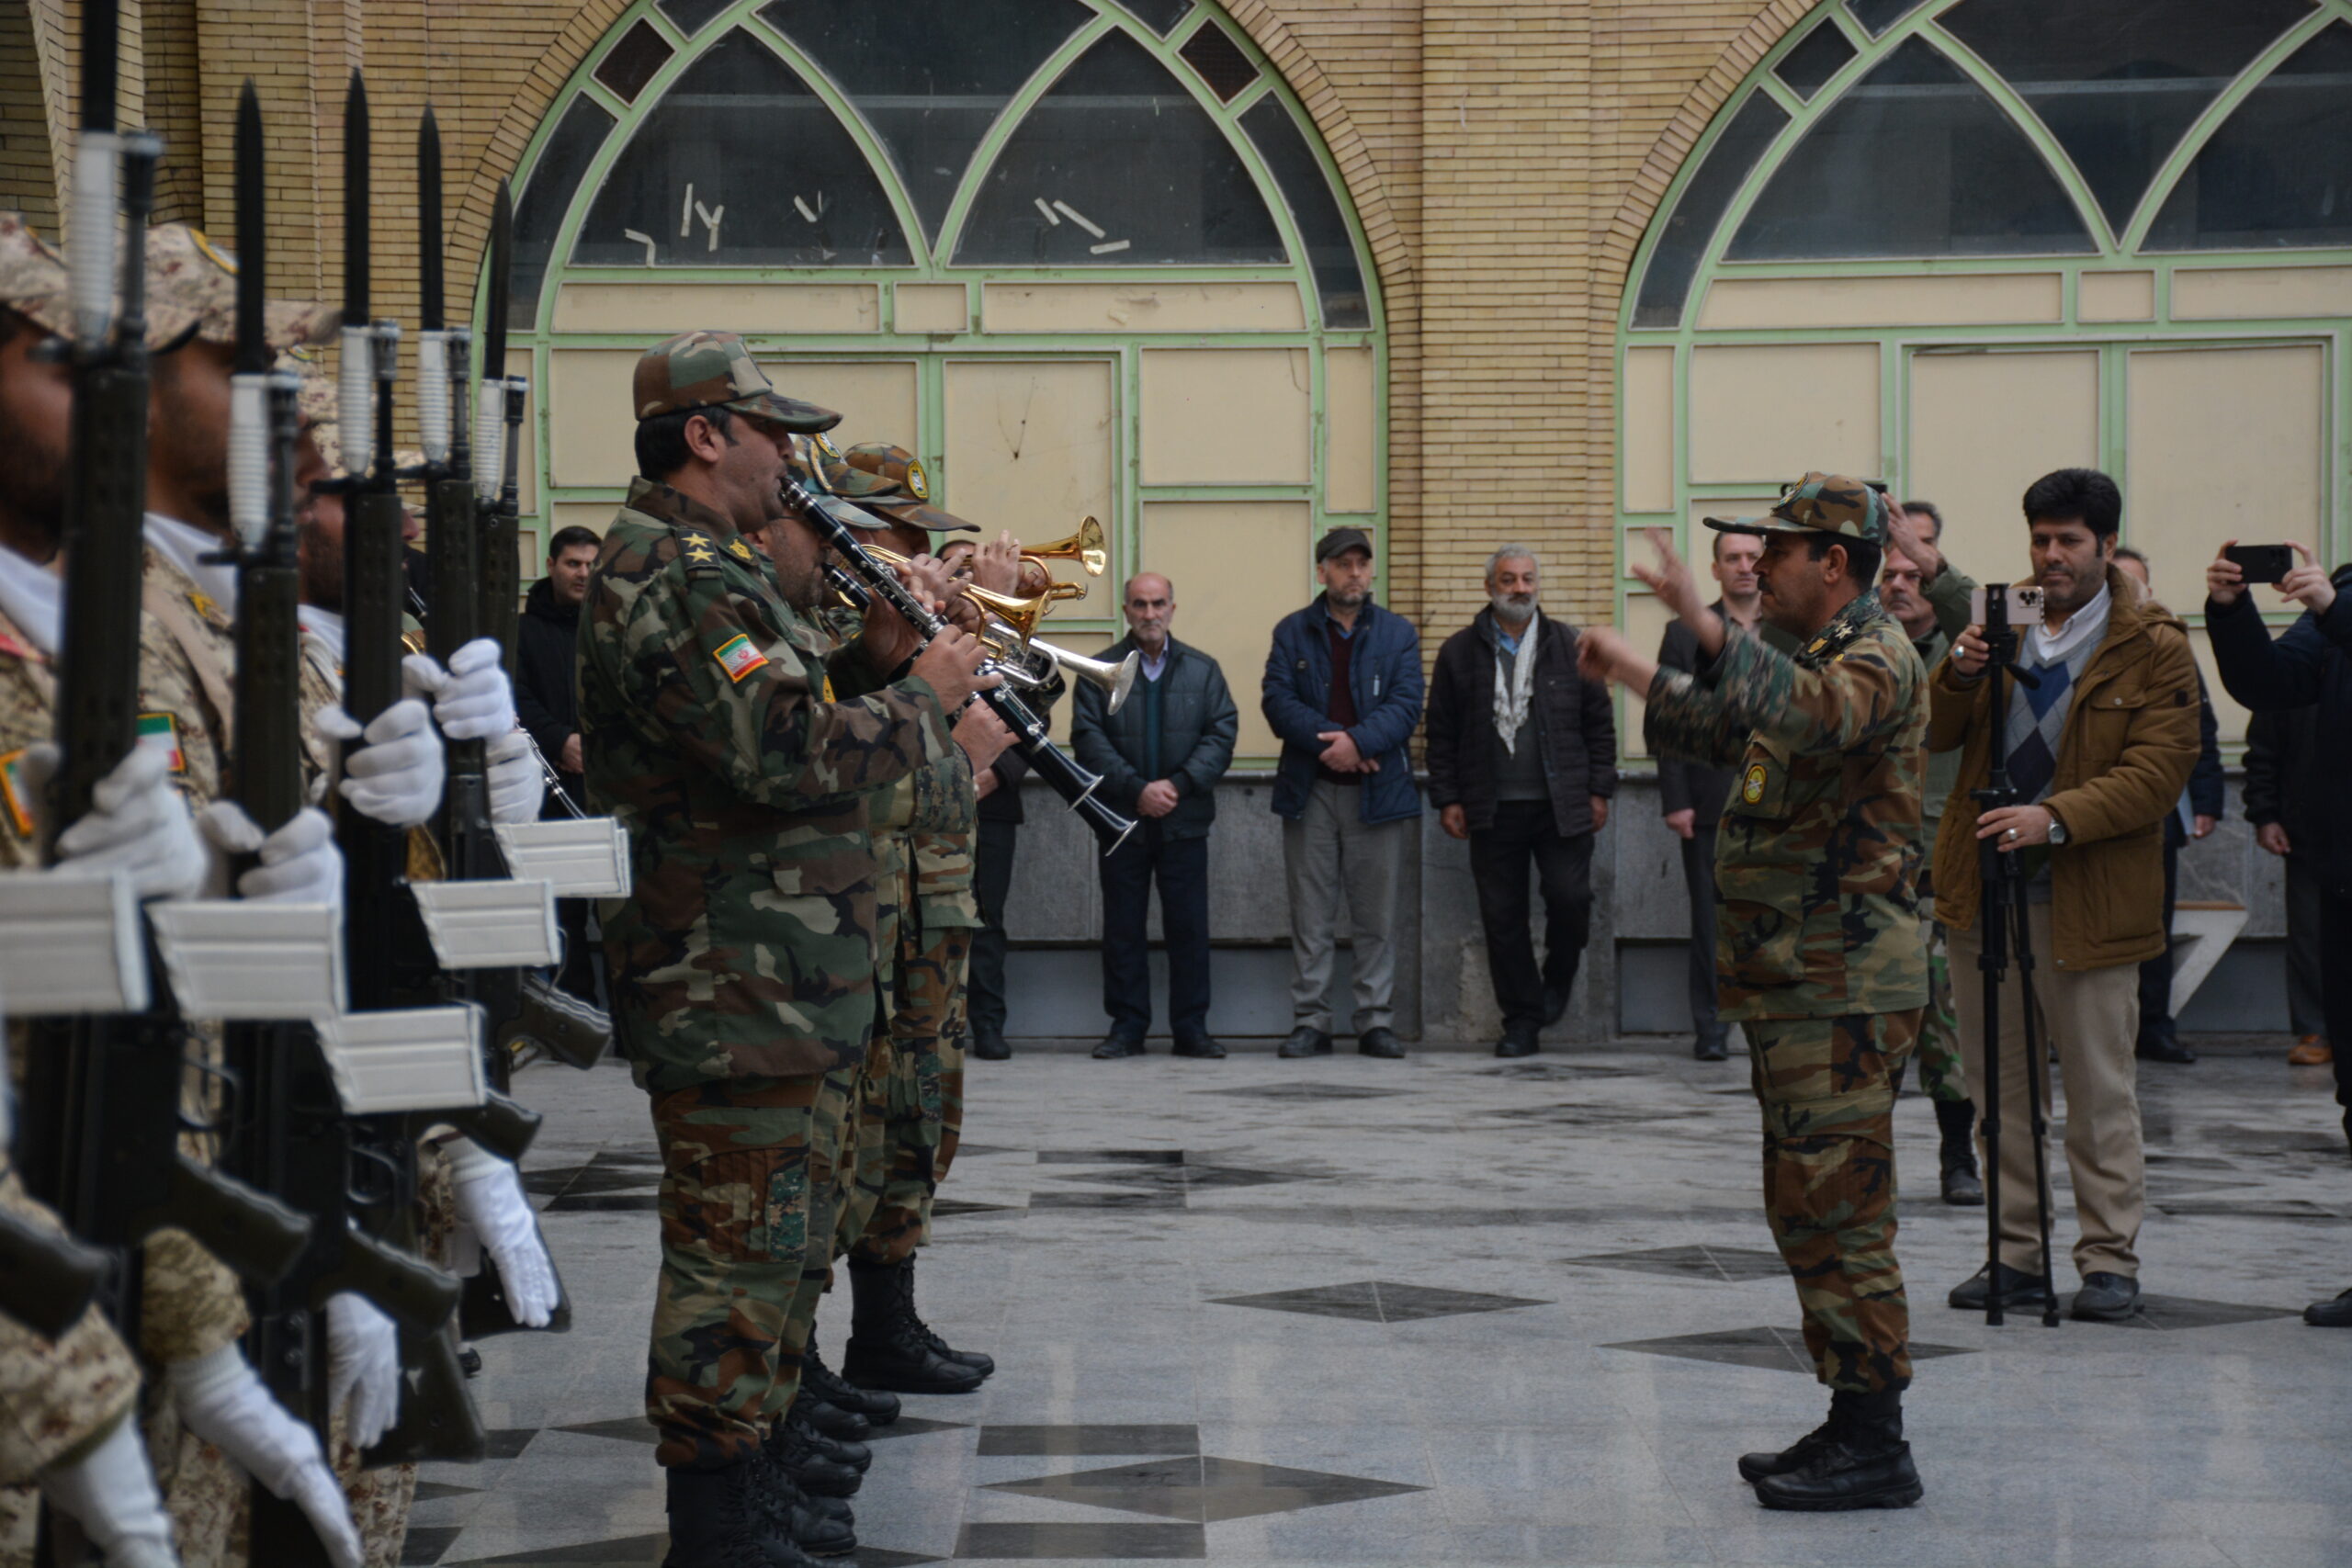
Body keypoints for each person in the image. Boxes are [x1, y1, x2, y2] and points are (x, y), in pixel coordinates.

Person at [575, 332, 996, 1565]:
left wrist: (873, 661)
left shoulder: (707, 566)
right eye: (773, 432)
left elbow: (778, 721)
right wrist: (922, 695)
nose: (792, 460)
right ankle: (717, 1523)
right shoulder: (679, 573)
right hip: (726, 975)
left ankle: (754, 1479)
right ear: (706, 436)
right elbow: (780, 756)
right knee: (734, 1252)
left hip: (772, 973)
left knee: (773, 1240)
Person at [1577, 475, 1928, 1512]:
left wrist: (1699, 617)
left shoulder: (1874, 655)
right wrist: (1634, 666)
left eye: (1778, 550)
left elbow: (1808, 715)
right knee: (1805, 1205)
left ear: (1834, 563)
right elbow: (1729, 729)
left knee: (1844, 1210)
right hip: (1796, 982)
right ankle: (1850, 1417)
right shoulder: (1811, 654)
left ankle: (1877, 1441)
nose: (1760, 566)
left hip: (1844, 985)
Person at [1932, 468, 2199, 1325]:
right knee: (1999, 1095)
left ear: (2106, 545)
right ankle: (2015, 1255)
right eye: (2040, 539)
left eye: (2069, 541)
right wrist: (1960, 670)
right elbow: (1933, 731)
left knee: (2098, 1092)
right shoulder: (2002, 619)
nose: (2051, 556)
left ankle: (2108, 1259)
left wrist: (2053, 818)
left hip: (2089, 900)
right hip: (1987, 895)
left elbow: (2158, 772)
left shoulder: (2153, 642)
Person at [2204, 536, 2352, 1327]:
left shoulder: (2339, 603)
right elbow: (2270, 682)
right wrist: (2231, 611)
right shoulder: (2342, 596)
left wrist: (2333, 608)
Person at [1427, 546, 1614, 1058]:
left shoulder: (1571, 645)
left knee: (1571, 900)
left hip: (1562, 805)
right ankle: (1522, 1021)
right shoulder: (1458, 652)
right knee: (1502, 919)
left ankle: (1558, 978)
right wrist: (1447, 797)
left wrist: (1599, 790)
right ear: (1490, 587)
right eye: (1508, 580)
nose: (1520, 588)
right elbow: (1441, 733)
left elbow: (1599, 725)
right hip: (1491, 806)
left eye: (1528, 579)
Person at [1261, 526, 1423, 1060]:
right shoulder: (1292, 631)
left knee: (1376, 916)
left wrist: (1360, 743)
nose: (1355, 573)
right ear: (1322, 571)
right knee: (1311, 915)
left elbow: (1406, 704)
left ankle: (1375, 1021)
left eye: (1361, 564)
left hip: (1378, 793)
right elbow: (1277, 702)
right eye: (1343, 564)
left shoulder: (1397, 633)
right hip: (1311, 791)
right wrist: (1335, 743)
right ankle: (1312, 1021)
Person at [1070, 571, 1238, 1059]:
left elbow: (1221, 733)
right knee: (1123, 929)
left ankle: (1192, 1030)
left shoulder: (1204, 671)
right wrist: (1136, 789)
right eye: (1140, 604)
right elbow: (1087, 739)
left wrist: (1177, 786)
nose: (1150, 614)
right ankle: (1127, 1029)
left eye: (1158, 603)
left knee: (1189, 929)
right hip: (1121, 821)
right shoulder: (1099, 669)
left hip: (1185, 820)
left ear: (1172, 608)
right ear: (1126, 611)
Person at [1877, 507, 1984, 1205]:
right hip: (1870, 872)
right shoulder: (1860, 644)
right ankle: (1869, 1161)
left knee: (1947, 1024)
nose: (1900, 584)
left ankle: (1958, 1155)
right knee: (1874, 1024)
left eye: (1914, 574)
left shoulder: (1970, 644)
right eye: (1889, 573)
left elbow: (2011, 620)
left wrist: (1934, 567)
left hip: (1943, 871)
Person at [1650, 530, 1781, 1061]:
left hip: (1784, 800)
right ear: (1716, 569)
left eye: (1753, 557)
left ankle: (1774, 1026)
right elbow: (1668, 713)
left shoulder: (1793, 628)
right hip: (1709, 800)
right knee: (1710, 921)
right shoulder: (1683, 632)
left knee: (1778, 917)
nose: (1745, 566)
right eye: (1733, 558)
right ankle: (1710, 1028)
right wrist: (1675, 798)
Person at [2110, 546, 2224, 1065]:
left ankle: (2153, 1027)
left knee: (2154, 923)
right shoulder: (2077, 642)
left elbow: (2198, 725)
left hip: (2159, 810)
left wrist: (2208, 799)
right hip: (2088, 810)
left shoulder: (2168, 644)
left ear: (2150, 591)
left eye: (2133, 584)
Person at [518, 524, 606, 1002]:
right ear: (551, 565)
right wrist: (559, 740)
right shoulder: (522, 631)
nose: (583, 573)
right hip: (551, 790)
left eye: (592, 564)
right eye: (573, 563)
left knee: (617, 911)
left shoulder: (613, 627)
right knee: (564, 914)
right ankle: (573, 1014)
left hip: (611, 787)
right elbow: (514, 697)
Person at [2244, 705, 2330, 1066]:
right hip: (2310, 831)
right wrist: (2265, 815)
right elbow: (2263, 752)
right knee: (2309, 934)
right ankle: (2316, 1030)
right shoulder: (2295, 675)